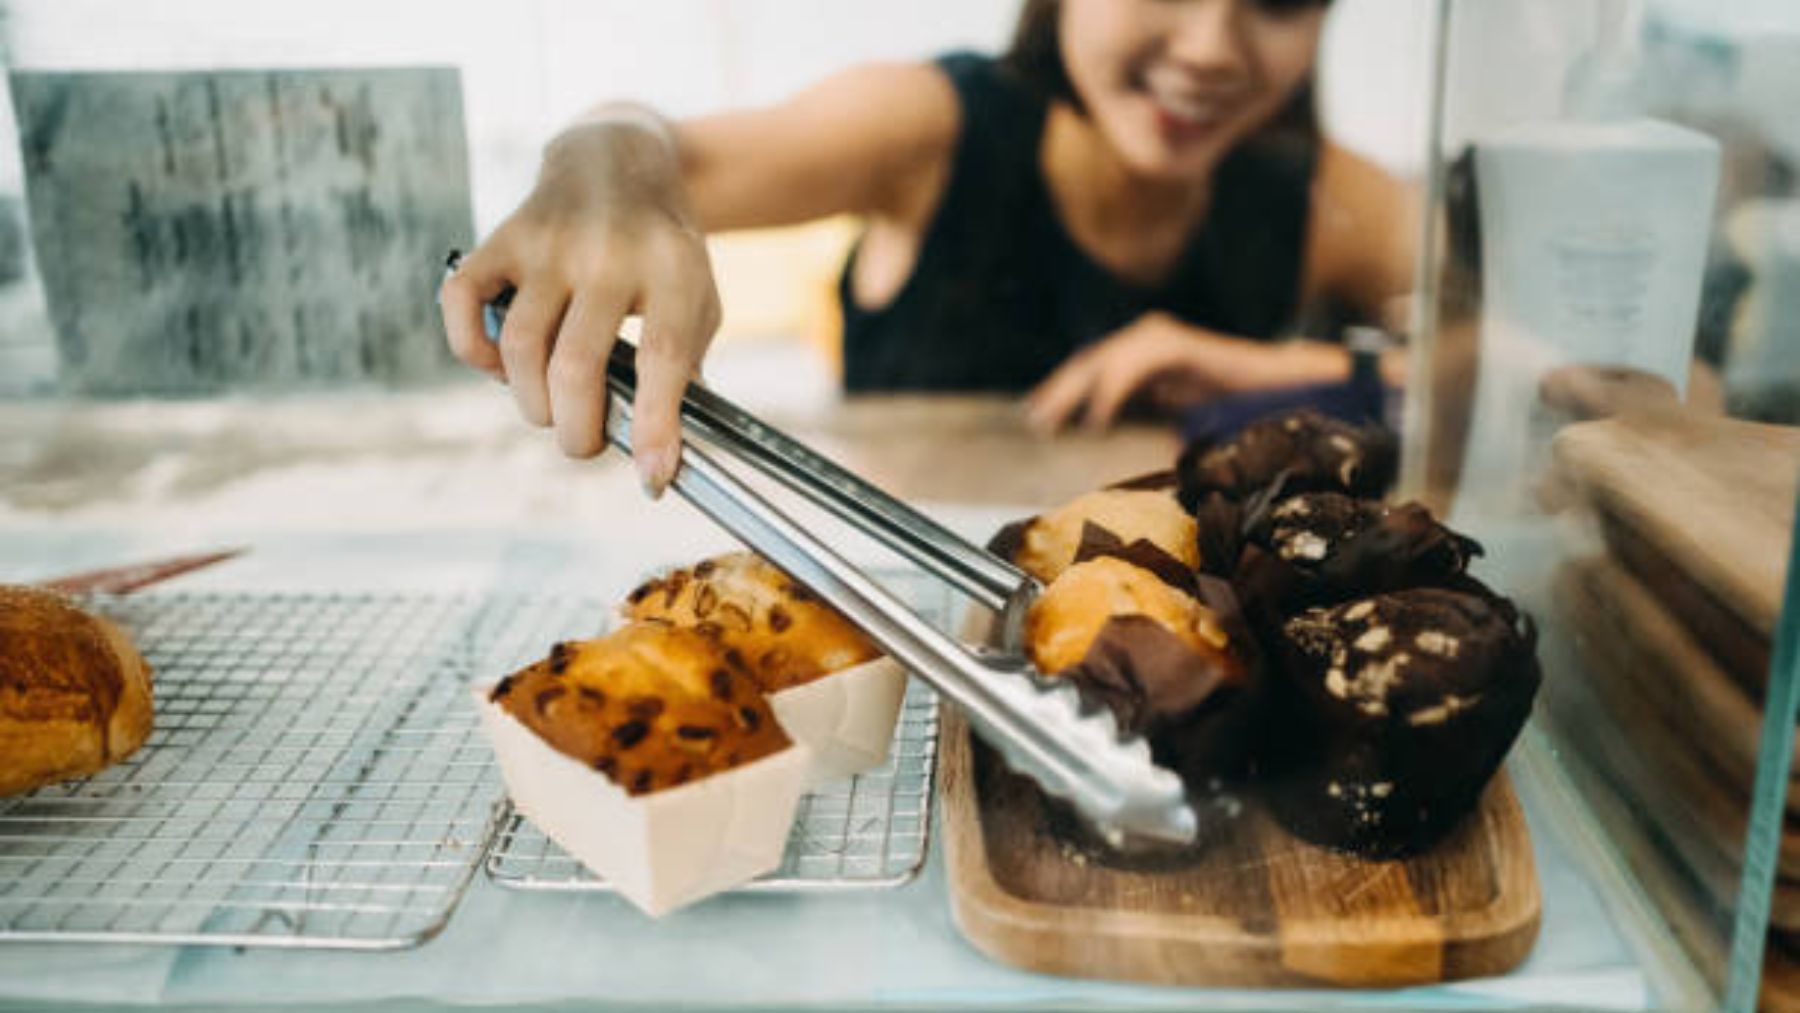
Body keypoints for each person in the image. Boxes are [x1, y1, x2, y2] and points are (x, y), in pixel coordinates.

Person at [440, 0, 1415, 497]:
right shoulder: (931, 127)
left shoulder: (1321, 196)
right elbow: (655, 148)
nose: (1210, 47)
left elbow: (1501, 364)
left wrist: (1268, 369)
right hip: (897, 618)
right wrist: (607, 172)